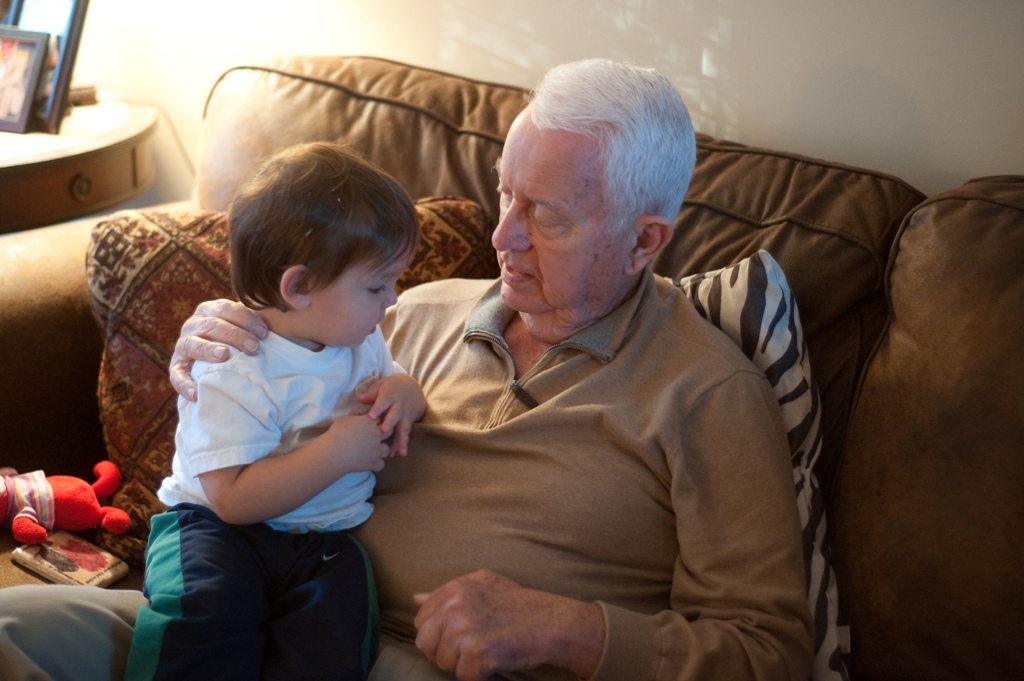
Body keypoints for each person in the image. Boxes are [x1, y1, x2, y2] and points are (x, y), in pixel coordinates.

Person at [0, 59, 812, 681]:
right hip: (255, 614)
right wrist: (217, 330)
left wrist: (562, 626)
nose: (504, 237)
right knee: (13, 629)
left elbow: (768, 652)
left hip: (417, 662)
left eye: (547, 217)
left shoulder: (706, 394)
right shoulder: (413, 312)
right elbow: (281, 359)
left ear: (644, 241)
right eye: (507, 195)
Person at [125, 142, 426, 681]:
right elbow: (233, 500)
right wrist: (335, 454)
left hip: (323, 540)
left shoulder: (360, 339)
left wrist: (406, 392)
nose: (392, 300)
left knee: (337, 630)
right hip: (215, 533)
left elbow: (396, 381)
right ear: (299, 286)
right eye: (378, 285)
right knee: (201, 617)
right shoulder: (233, 364)